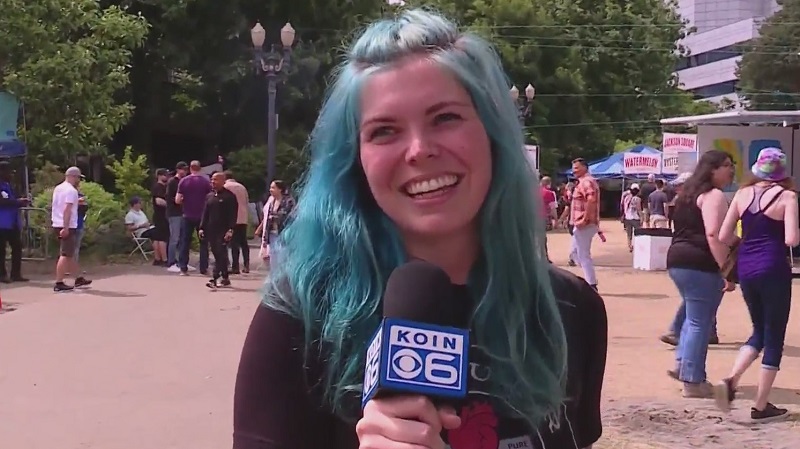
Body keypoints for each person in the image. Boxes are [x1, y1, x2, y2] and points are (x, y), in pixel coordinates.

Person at [233, 9, 607, 449]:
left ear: (493, 134)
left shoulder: (570, 311)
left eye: (445, 118)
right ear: (355, 160)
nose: (419, 151)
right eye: (384, 131)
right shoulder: (300, 319)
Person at [714, 148, 798, 422]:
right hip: (774, 268)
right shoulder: (788, 197)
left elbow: (724, 234)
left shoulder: (741, 194)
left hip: (747, 269)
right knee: (774, 336)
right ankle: (761, 406)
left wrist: (747, 245)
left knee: (758, 331)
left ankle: (730, 379)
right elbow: (791, 239)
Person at [665, 150, 734, 398]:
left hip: (678, 259)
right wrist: (727, 269)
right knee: (699, 322)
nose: (731, 170)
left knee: (692, 317)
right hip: (700, 262)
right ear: (711, 169)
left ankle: (684, 365)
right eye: (726, 165)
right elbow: (713, 235)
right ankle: (693, 380)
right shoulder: (713, 196)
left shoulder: (686, 196)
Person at [660, 172, 720, 347]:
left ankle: (688, 331)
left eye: (681, 185)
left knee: (699, 297)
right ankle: (684, 332)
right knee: (701, 297)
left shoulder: (690, 201)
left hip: (694, 255)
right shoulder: (687, 201)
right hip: (699, 255)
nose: (677, 188)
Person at [51, 166, 92, 292]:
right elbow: (67, 209)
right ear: (73, 176)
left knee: (70, 253)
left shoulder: (58, 188)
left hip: (57, 222)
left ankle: (78, 277)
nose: (79, 180)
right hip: (67, 224)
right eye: (78, 177)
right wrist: (66, 227)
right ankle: (59, 282)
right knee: (65, 254)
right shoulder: (71, 191)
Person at [199, 172, 238, 289]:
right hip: (211, 230)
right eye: (212, 180)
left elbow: (233, 215)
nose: (213, 182)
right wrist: (201, 227)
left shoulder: (229, 197)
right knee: (217, 254)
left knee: (221, 253)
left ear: (223, 181)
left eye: (215, 180)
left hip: (223, 230)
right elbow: (205, 213)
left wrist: (230, 229)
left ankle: (214, 278)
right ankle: (225, 277)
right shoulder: (209, 196)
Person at [569, 158, 600, 291]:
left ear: (585, 168)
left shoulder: (586, 182)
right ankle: (588, 281)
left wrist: (585, 219)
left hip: (585, 224)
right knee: (574, 254)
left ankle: (591, 284)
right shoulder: (583, 182)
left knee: (583, 254)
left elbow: (591, 200)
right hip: (581, 223)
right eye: (573, 168)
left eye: (577, 168)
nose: (574, 171)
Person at [176, 160, 211, 275]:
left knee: (185, 242)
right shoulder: (206, 182)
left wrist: (184, 202)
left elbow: (177, 199)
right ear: (200, 168)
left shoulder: (183, 181)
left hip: (187, 214)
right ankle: (203, 268)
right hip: (202, 215)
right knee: (203, 242)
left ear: (190, 168)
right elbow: (210, 197)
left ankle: (183, 268)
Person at [254, 180, 295, 267]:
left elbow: (289, 215)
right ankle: (274, 278)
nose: (270, 190)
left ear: (280, 189)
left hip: (283, 233)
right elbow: (266, 217)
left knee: (283, 258)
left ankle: (283, 278)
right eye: (270, 187)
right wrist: (260, 229)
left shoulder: (288, 201)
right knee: (272, 258)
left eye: (273, 187)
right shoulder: (271, 201)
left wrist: (274, 216)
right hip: (271, 233)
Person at [0, 160, 28, 282]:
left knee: (17, 247)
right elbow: (2, 202)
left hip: (12, 222)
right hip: (2, 222)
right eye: (7, 171)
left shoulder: (8, 185)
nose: (10, 174)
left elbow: (11, 199)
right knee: (1, 250)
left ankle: (15, 274)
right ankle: (2, 275)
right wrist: (18, 202)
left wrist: (21, 200)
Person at [223, 171, 251, 274]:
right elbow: (247, 200)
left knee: (233, 243)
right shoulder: (242, 187)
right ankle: (246, 264)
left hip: (232, 218)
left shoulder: (225, 186)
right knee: (243, 242)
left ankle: (235, 266)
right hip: (243, 217)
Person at [165, 162, 188, 272]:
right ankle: (171, 261)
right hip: (174, 213)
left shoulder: (184, 181)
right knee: (174, 238)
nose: (184, 172)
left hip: (183, 212)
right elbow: (169, 198)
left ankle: (181, 261)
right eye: (182, 169)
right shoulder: (172, 182)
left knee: (182, 238)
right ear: (178, 170)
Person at [149, 168, 170, 266]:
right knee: (163, 238)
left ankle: (157, 259)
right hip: (161, 215)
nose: (167, 176)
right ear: (159, 176)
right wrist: (170, 205)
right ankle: (165, 260)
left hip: (157, 215)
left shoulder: (157, 187)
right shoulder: (159, 187)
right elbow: (158, 201)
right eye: (165, 175)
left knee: (157, 238)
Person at [620, 183, 642, 252]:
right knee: (638, 233)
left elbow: (623, 206)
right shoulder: (638, 199)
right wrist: (641, 217)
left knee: (629, 234)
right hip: (635, 218)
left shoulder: (626, 198)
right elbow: (639, 209)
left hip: (627, 218)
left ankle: (630, 246)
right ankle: (637, 246)